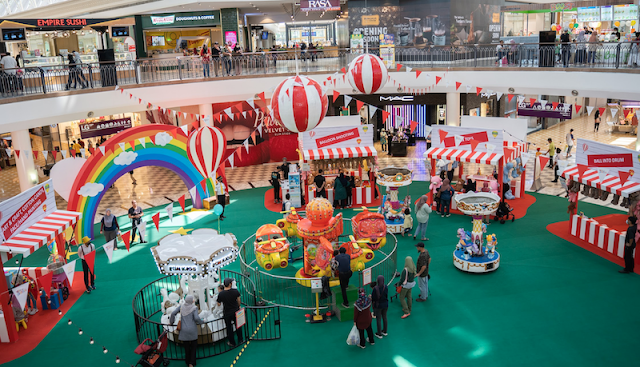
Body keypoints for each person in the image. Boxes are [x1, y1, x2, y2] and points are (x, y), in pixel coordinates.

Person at [169, 295, 204, 367]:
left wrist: (171, 322)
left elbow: (173, 313)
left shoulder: (181, 307)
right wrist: (201, 322)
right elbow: (196, 318)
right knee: (194, 347)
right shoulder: (194, 308)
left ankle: (187, 361)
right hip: (192, 330)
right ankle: (192, 362)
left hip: (184, 330)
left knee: (186, 347)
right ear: (191, 301)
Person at [217, 278, 243, 347]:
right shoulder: (235, 291)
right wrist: (239, 306)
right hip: (235, 311)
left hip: (227, 313)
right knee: (238, 326)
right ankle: (240, 339)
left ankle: (232, 342)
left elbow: (218, 303)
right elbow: (238, 300)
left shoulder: (221, 294)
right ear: (230, 284)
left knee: (229, 328)